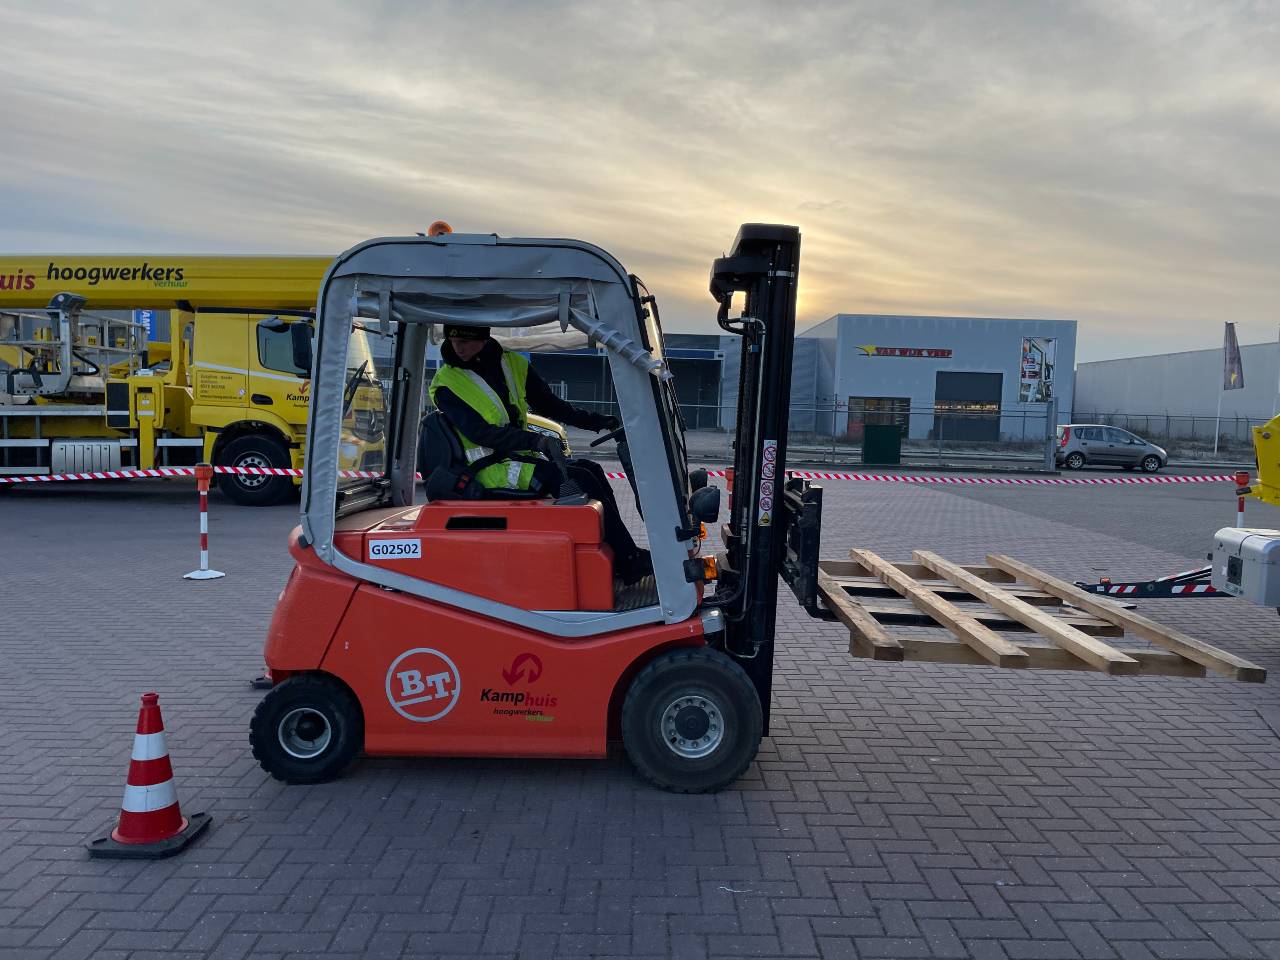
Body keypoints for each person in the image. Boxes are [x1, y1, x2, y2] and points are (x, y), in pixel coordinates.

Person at [427, 324, 652, 583]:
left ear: (484, 338)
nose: (458, 348)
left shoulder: (511, 364)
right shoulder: (446, 384)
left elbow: (552, 405)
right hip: (485, 469)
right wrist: (537, 441)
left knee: (592, 470)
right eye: (453, 341)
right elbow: (481, 433)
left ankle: (621, 555)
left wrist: (599, 421)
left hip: (514, 458)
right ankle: (628, 560)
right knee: (579, 478)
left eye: (465, 341)